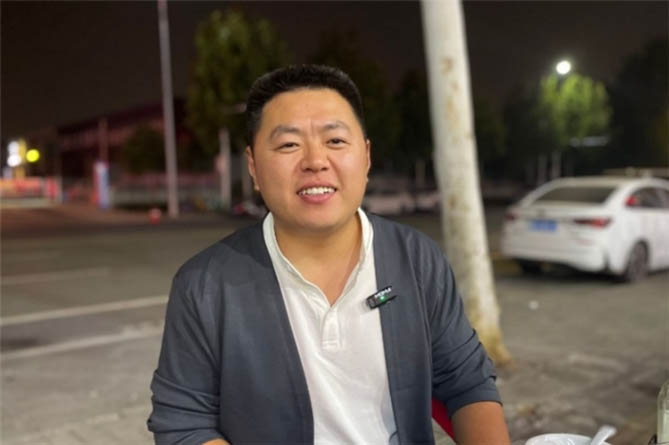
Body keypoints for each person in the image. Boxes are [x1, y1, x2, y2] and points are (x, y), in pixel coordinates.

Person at [148, 64, 510, 445]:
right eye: (289, 145)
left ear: (366, 156)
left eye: (335, 141)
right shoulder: (204, 286)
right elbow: (184, 424)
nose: (315, 161)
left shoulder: (417, 260)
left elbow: (466, 382)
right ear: (253, 166)